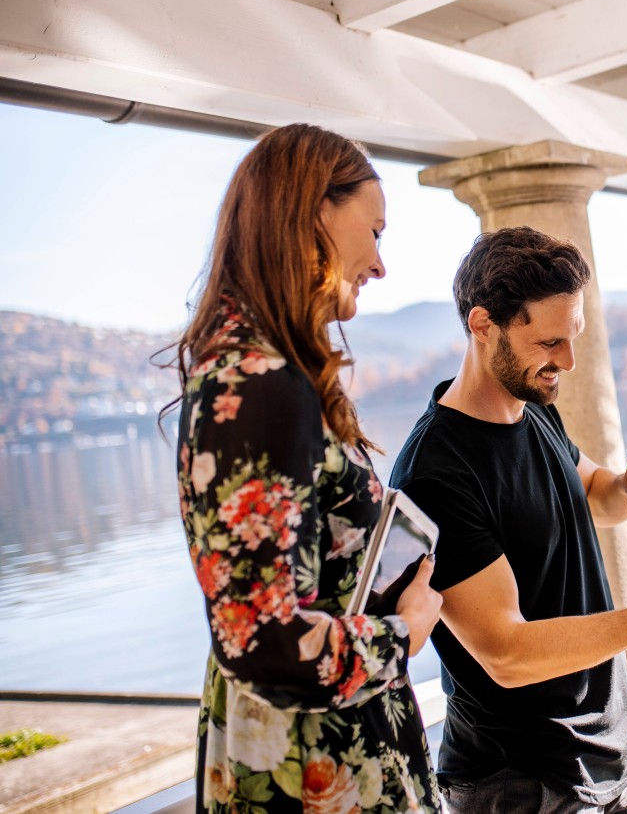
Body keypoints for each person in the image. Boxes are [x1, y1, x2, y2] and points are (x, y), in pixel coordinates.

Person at [389, 226, 627, 813]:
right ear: (483, 326)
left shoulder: (533, 410)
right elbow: (506, 652)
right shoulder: (435, 472)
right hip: (521, 783)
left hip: (606, 756)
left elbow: (593, 494)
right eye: (550, 342)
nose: (570, 361)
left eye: (574, 336)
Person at [168, 124, 444, 813]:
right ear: (316, 209)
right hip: (311, 771)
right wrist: (400, 633)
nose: (380, 263)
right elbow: (263, 643)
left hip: (296, 753)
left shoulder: (244, 372)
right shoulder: (264, 384)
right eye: (375, 230)